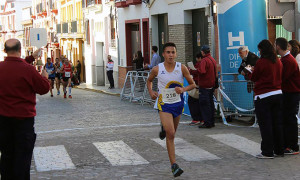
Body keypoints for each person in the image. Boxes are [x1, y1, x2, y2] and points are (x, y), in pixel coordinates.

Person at [0, 39, 50, 179]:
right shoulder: (28, 70)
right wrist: (45, 78)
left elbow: (13, 67)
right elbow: (44, 89)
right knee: (22, 160)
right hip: (23, 122)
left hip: (3, 122)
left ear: (5, 51)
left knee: (6, 157)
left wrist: (31, 58)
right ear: (20, 50)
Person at [147, 42, 196, 177]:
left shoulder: (182, 68)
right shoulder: (158, 69)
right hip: (164, 104)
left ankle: (164, 127)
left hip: (178, 104)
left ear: (176, 54)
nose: (170, 55)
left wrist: (183, 89)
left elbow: (193, 84)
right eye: (168, 52)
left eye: (173, 52)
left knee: (171, 133)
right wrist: (151, 92)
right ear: (163, 54)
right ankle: (174, 165)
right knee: (171, 133)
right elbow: (149, 80)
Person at [248, 39, 284, 159]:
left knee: (265, 124)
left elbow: (255, 77)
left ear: (262, 50)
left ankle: (267, 151)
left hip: (264, 95)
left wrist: (249, 72)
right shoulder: (278, 61)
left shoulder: (261, 62)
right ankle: (279, 149)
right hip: (278, 93)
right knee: (277, 123)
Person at [275, 37, 300, 155]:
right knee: (287, 119)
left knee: (290, 119)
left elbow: (282, 77)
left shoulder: (288, 61)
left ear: (278, 46)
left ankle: (292, 145)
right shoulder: (285, 60)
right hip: (289, 92)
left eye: (275, 45)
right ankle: (287, 144)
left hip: (291, 93)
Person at [193, 45, 217, 128]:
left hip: (204, 86)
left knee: (204, 105)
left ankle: (207, 122)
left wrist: (193, 70)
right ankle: (212, 121)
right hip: (211, 85)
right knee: (210, 104)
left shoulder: (204, 60)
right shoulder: (212, 59)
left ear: (203, 52)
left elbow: (201, 71)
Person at [188, 52, 203, 125]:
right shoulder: (205, 63)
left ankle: (196, 119)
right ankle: (202, 118)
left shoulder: (199, 64)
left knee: (193, 102)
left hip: (197, 86)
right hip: (202, 86)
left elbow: (196, 72)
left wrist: (190, 70)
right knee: (201, 104)